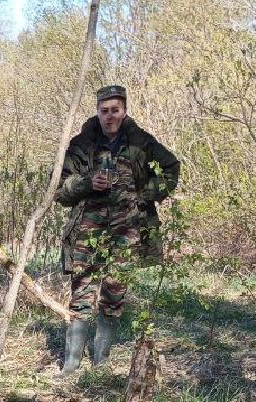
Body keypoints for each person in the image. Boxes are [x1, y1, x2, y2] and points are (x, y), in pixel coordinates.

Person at [56, 84, 180, 373]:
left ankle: (101, 363)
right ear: (97, 112)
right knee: (81, 293)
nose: (109, 116)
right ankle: (71, 366)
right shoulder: (81, 145)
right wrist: (87, 183)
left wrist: (145, 194)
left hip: (127, 231)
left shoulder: (142, 143)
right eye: (104, 111)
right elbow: (61, 191)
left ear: (124, 111)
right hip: (87, 232)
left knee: (114, 293)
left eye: (115, 110)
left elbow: (171, 169)